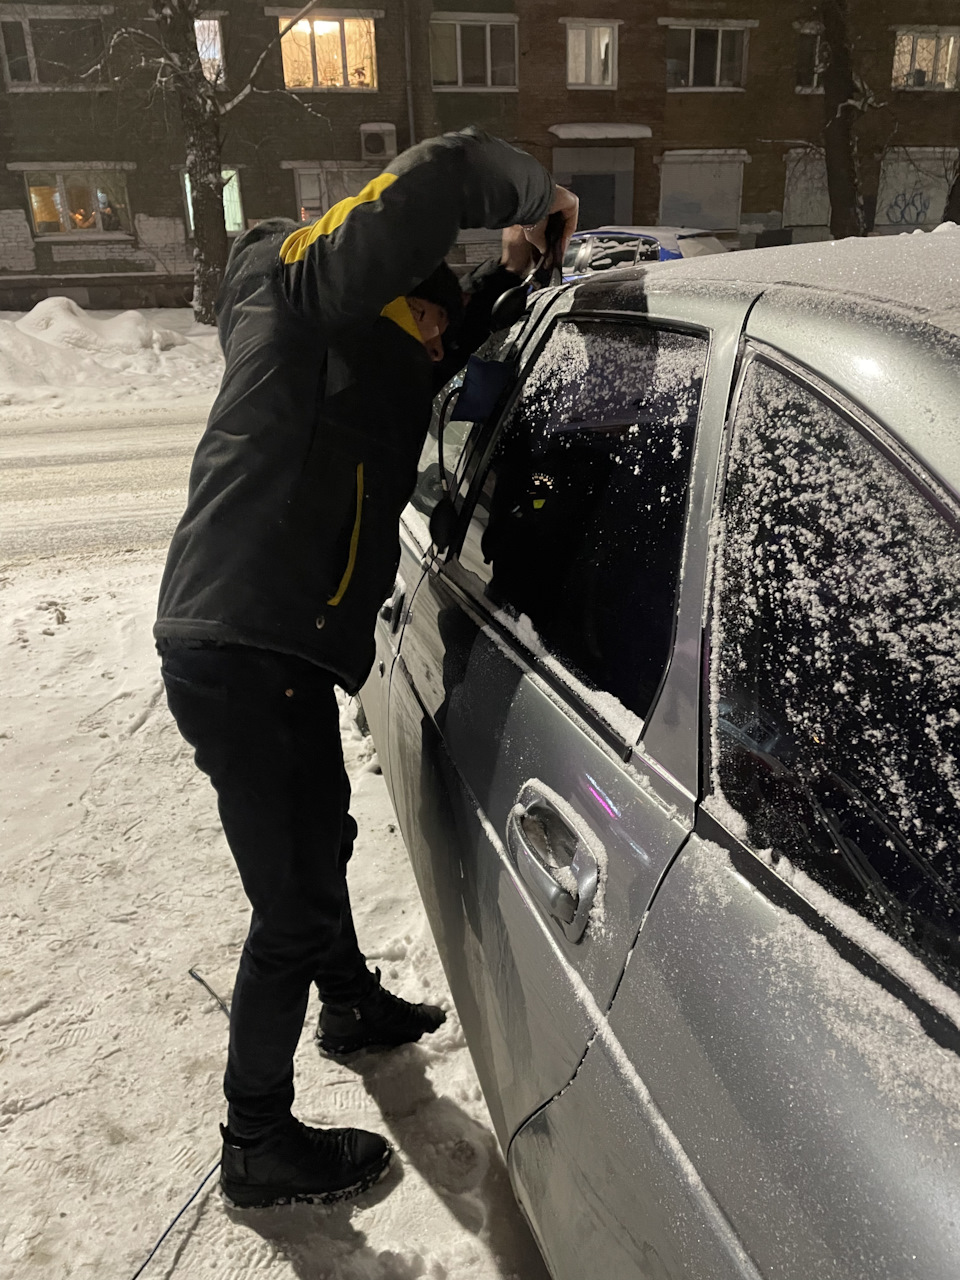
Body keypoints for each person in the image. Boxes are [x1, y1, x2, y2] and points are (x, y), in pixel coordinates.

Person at [154, 126, 578, 1210]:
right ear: (396, 293)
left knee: (323, 831)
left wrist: (512, 274)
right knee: (287, 903)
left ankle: (345, 1002)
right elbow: (434, 176)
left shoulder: (374, 355)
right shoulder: (304, 294)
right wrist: (529, 193)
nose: (441, 348)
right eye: (433, 320)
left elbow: (445, 335)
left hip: (274, 648)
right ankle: (256, 1141)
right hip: (243, 644)